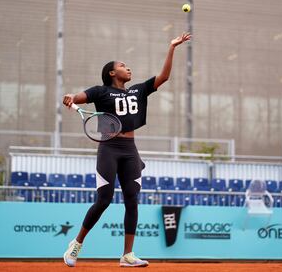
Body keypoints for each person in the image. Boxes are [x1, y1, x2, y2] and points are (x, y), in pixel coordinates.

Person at [62, 32, 191, 267]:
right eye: (123, 66)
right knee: (104, 199)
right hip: (109, 147)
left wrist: (172, 47)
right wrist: (70, 96)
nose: (128, 68)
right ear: (112, 73)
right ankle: (76, 243)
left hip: (130, 149)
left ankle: (127, 255)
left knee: (132, 201)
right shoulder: (101, 91)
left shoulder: (138, 90)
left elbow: (164, 77)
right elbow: (79, 97)